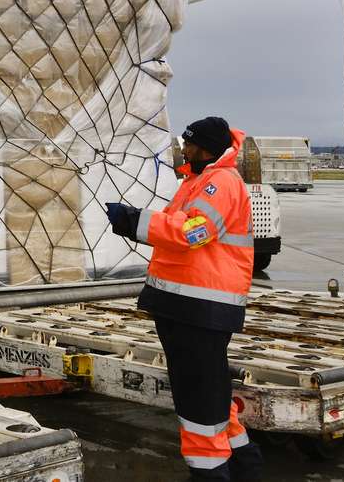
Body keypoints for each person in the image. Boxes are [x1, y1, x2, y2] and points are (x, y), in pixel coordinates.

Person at [105, 117, 263, 481]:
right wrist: (137, 220)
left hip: (201, 310)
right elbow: (177, 225)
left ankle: (211, 474)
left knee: (198, 404)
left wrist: (134, 221)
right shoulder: (198, 181)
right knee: (210, 397)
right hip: (185, 307)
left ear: (205, 148)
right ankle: (244, 468)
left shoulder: (221, 183)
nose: (184, 149)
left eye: (189, 144)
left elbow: (194, 232)